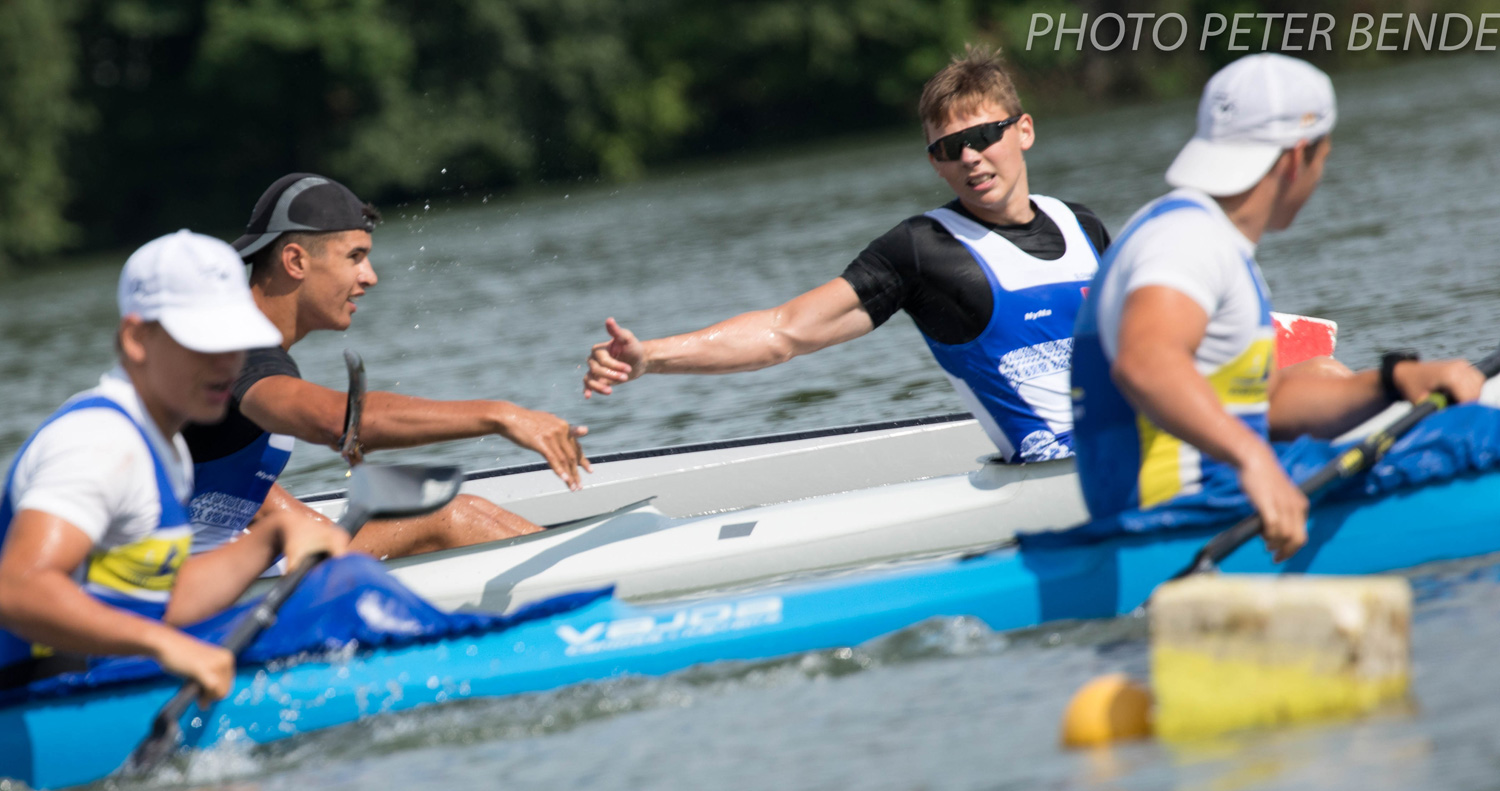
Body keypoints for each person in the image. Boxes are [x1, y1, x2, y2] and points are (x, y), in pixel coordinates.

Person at [583, 46, 1109, 464]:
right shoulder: (923, 251)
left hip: (1132, 444)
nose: (970, 157)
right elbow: (783, 331)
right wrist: (651, 357)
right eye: (948, 148)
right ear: (935, 164)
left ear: (1024, 131)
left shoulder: (1083, 225)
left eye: (982, 136)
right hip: (1054, 471)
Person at [1070, 53, 1484, 561]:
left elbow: (1268, 407)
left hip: (1215, 497)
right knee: (1483, 435)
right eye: (1325, 157)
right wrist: (1254, 462)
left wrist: (1394, 380)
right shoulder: (1187, 240)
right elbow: (1146, 362)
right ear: (1297, 157)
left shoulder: (1199, 234)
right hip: (1188, 515)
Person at [0, 231, 349, 700]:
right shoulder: (100, 443)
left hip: (78, 685)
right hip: (27, 699)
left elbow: (159, 603)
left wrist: (275, 537)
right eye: (204, 343)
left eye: (237, 341)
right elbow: (18, 589)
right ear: (137, 338)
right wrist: (164, 646)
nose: (228, 364)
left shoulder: (166, 448)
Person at [183, 173, 592, 561]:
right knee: (452, 519)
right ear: (295, 261)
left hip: (218, 565)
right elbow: (336, 421)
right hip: (178, 592)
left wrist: (352, 541)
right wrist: (502, 416)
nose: (371, 277)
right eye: (355, 257)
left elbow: (255, 503)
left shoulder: (247, 344)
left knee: (463, 509)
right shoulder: (232, 352)